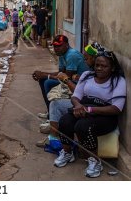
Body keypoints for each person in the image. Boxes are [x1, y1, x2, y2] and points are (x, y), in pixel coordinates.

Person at [54, 49, 126, 178]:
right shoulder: (87, 75)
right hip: (84, 109)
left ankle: (95, 161)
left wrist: (90, 110)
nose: (99, 68)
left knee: (82, 126)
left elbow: (116, 108)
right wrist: (78, 105)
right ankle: (67, 153)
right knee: (65, 121)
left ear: (112, 67)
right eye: (97, 65)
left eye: (104, 66)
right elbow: (76, 96)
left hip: (105, 116)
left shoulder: (117, 81)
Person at [36, 42, 105, 147]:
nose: (84, 61)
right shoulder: (89, 73)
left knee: (69, 118)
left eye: (86, 59)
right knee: (55, 104)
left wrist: (67, 80)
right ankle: (54, 140)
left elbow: (81, 94)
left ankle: (60, 140)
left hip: (93, 108)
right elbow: (78, 93)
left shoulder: (103, 76)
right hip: (83, 104)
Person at [32, 35, 90, 119]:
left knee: (48, 82)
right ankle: (50, 112)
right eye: (55, 46)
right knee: (43, 79)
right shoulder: (62, 54)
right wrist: (42, 74)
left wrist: (45, 75)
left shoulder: (71, 55)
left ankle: (52, 116)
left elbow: (66, 77)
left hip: (78, 83)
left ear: (66, 45)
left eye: (59, 46)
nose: (56, 48)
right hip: (70, 79)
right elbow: (60, 72)